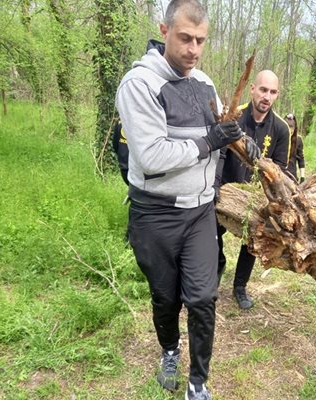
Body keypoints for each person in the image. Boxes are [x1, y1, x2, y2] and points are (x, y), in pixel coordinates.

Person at [115, 1, 258, 399]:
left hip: (199, 212)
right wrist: (209, 140)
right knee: (165, 295)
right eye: (185, 39)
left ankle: (198, 381)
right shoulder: (140, 84)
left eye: (200, 41)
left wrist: (238, 140)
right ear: (164, 31)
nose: (193, 50)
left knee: (202, 297)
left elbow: (221, 134)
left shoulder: (205, 84)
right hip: (155, 213)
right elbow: (152, 157)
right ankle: (170, 350)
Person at [217, 70, 290, 309]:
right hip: (226, 189)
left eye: (272, 92)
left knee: (251, 242)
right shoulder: (234, 116)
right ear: (252, 89)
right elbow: (217, 154)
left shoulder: (280, 129)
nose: (266, 96)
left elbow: (280, 170)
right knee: (211, 236)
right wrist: (216, 186)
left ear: (277, 95)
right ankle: (216, 269)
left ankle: (239, 286)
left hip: (255, 195)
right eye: (263, 90)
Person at [285, 113, 306, 183]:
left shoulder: (298, 140)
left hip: (292, 177)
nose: (289, 129)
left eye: (291, 127)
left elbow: (301, 159)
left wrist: (302, 177)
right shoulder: (277, 139)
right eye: (287, 126)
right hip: (279, 175)